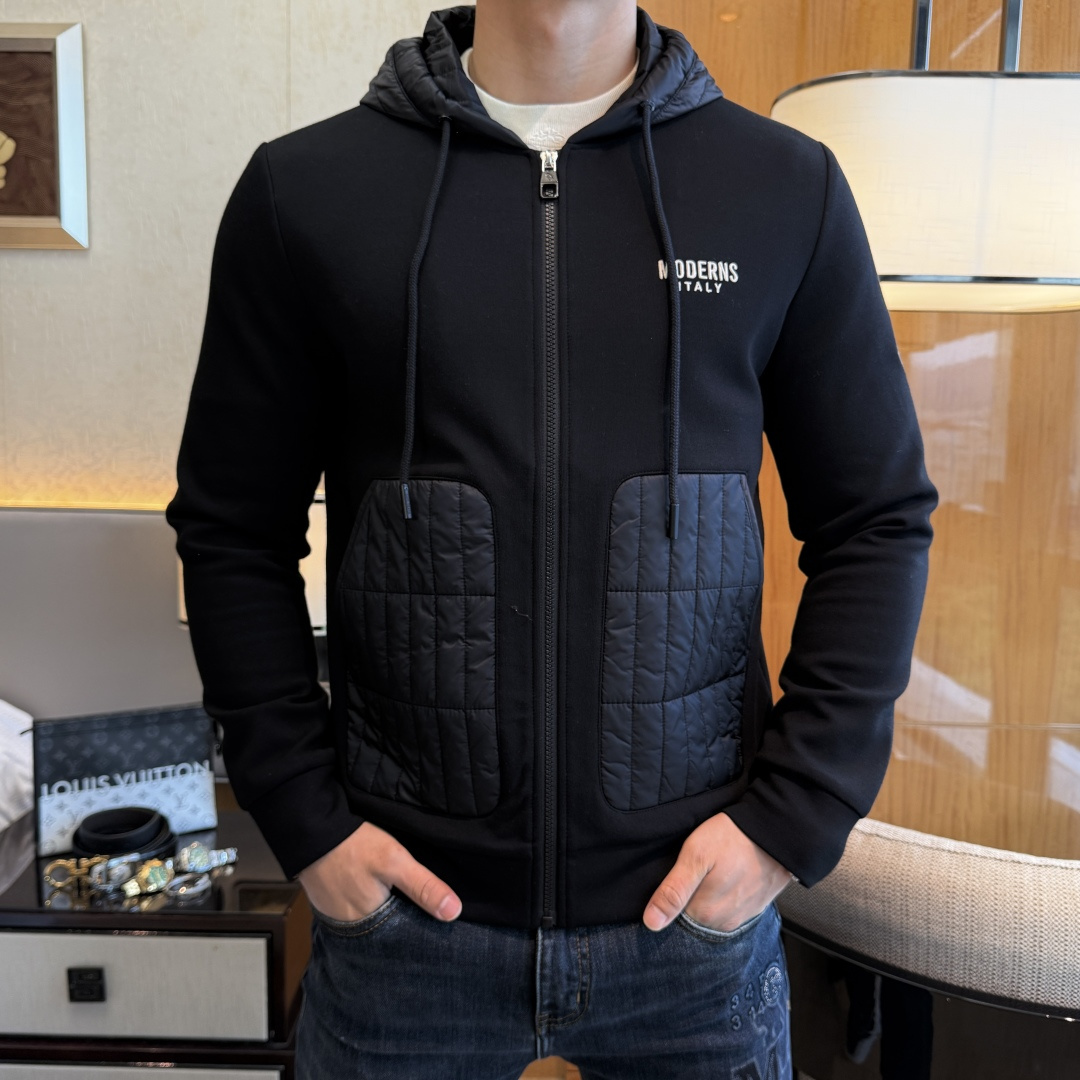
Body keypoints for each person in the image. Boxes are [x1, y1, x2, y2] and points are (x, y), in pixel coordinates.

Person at [165, 2, 938, 1076]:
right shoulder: (306, 192)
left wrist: (791, 817)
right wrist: (305, 821)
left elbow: (875, 518)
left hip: (690, 937)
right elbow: (232, 528)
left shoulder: (783, 188)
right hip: (400, 935)